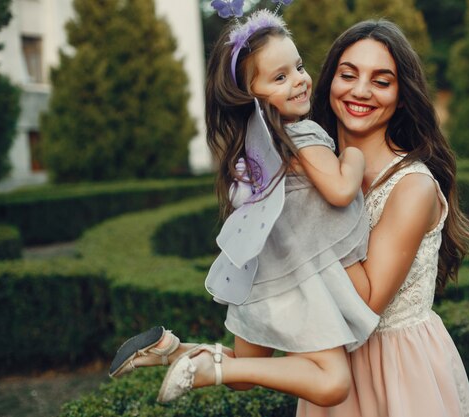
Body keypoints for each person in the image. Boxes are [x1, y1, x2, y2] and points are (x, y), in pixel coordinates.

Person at [108, 9, 379, 406]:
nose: (300, 81)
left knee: (240, 376)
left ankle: (171, 349)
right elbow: (340, 191)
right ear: (250, 95)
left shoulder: (256, 152)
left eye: (299, 67)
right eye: (280, 77)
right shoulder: (299, 136)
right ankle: (204, 366)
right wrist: (353, 156)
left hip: (263, 279)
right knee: (332, 383)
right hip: (297, 279)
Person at [295, 19, 469, 417]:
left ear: (401, 96)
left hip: (401, 372)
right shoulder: (312, 171)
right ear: (329, 82)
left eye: (381, 81)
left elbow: (364, 304)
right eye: (348, 75)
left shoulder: (412, 187)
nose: (360, 91)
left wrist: (309, 204)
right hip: (330, 371)